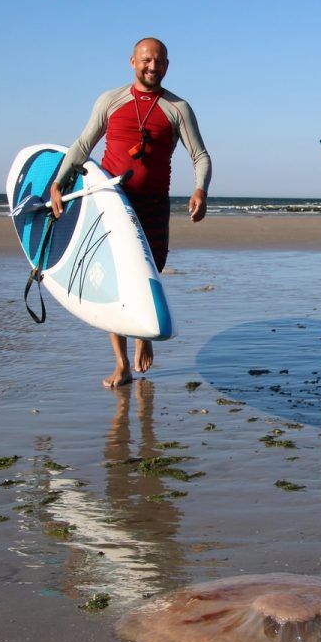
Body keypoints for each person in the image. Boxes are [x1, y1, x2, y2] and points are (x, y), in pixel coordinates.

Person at [49, 37, 212, 388]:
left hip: (154, 205)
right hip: (113, 201)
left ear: (167, 64)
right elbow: (82, 145)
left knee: (150, 271)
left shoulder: (177, 108)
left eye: (160, 61)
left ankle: (144, 334)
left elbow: (199, 154)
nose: (153, 67)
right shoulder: (110, 101)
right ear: (132, 62)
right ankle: (121, 364)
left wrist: (201, 188)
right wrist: (58, 182)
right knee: (114, 278)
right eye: (146, 60)